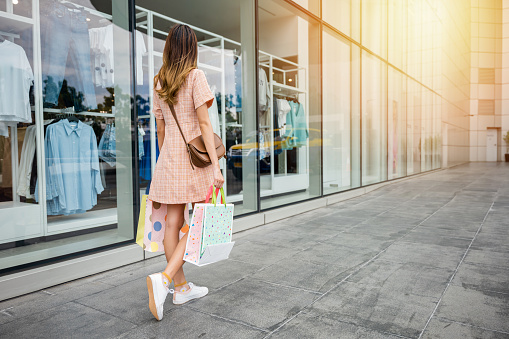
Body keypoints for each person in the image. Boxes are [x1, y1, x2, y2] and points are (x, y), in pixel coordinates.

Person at [146, 24, 224, 321]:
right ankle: (165, 279)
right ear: (192, 47)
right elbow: (205, 125)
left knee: (172, 223)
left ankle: (181, 288)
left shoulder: (159, 81)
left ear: (168, 47)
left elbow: (161, 128)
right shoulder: (196, 76)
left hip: (168, 161)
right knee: (202, 222)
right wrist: (216, 167)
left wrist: (165, 162)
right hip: (194, 163)